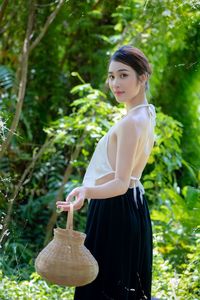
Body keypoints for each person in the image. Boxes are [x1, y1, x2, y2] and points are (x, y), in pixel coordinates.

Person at [56, 45, 156, 300]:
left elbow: (121, 183)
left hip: (115, 209)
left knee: (104, 289)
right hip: (130, 207)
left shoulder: (131, 123)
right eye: (111, 76)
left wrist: (86, 190)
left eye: (123, 75)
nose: (115, 83)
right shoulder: (146, 113)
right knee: (119, 286)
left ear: (142, 77)